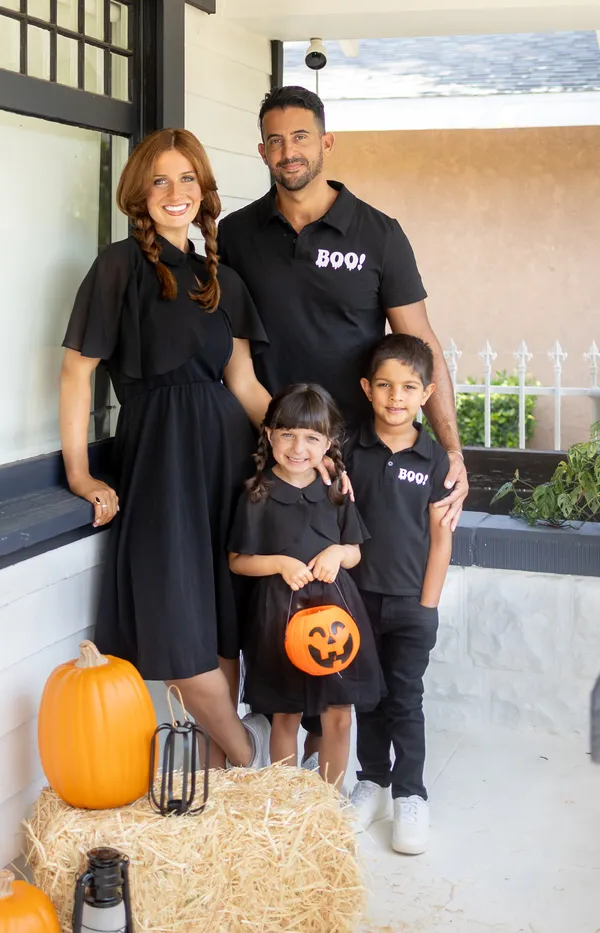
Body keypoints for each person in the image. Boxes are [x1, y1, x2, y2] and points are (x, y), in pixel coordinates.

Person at [217, 84, 468, 765]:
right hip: (275, 454)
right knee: (272, 602)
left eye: (300, 137)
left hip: (357, 456)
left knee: (356, 602)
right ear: (261, 148)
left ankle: (373, 769)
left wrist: (451, 445)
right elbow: (235, 355)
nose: (287, 150)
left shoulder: (377, 233)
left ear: (326, 142)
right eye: (274, 139)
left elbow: (423, 344)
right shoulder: (237, 234)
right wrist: (292, 444)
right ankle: (277, 770)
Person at [59, 128, 274, 770]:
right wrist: (78, 474)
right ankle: (246, 755)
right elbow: (77, 373)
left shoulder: (223, 279)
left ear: (204, 192)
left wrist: (312, 451)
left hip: (228, 462)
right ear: (138, 193)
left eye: (187, 180)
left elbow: (244, 385)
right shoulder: (118, 268)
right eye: (160, 180)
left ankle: (217, 781)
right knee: (174, 623)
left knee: (221, 616)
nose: (174, 193)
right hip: (158, 463)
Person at [228, 384, 384, 791]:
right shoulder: (256, 494)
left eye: (312, 438)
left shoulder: (335, 491)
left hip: (336, 615)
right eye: (288, 435)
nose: (299, 447)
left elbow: (355, 552)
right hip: (279, 615)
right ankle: (289, 805)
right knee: (286, 712)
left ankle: (328, 804)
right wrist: (279, 563)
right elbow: (238, 561)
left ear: (328, 443)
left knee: (338, 711)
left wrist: (337, 553)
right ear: (269, 435)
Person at [348, 334, 453, 854]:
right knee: (368, 696)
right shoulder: (347, 451)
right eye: (385, 385)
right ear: (367, 389)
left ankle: (411, 794)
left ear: (426, 393)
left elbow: (441, 537)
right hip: (358, 600)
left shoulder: (435, 461)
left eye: (409, 387)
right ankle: (372, 780)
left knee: (405, 699)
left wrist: (428, 606)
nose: (396, 397)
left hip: (412, 602)